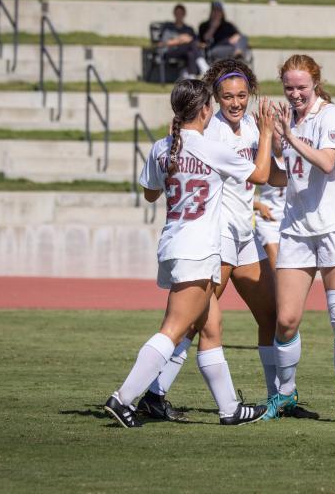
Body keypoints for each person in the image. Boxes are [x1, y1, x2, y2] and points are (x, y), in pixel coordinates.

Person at [137, 60, 319, 422]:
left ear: (250, 93)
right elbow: (256, 174)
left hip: (244, 235)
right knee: (192, 321)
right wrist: (270, 138)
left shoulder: (252, 124)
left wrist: (307, 175)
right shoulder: (210, 132)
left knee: (269, 315)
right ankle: (153, 395)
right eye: (226, 97)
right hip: (216, 235)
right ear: (214, 99)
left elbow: (269, 175)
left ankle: (277, 399)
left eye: (241, 95)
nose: (235, 103)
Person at [104, 79, 275, 428]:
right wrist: (268, 132)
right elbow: (259, 174)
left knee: (211, 329)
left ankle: (229, 409)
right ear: (206, 110)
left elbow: (151, 193)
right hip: (199, 249)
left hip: (173, 243)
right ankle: (123, 399)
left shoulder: (161, 147)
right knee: (174, 329)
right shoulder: (209, 146)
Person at [261, 54, 335, 427]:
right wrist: (269, 143)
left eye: (301, 87)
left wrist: (289, 136)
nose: (295, 94)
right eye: (288, 88)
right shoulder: (289, 119)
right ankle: (287, 393)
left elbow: (326, 163)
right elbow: (283, 177)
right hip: (296, 227)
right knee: (287, 319)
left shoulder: (330, 115)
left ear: (315, 83)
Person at [156, 4, 209, 79]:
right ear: (174, 14)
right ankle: (203, 65)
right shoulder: (168, 28)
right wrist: (180, 40)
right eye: (177, 13)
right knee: (190, 43)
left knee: (190, 52)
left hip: (186, 52)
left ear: (184, 14)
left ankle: (191, 76)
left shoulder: (188, 29)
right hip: (171, 51)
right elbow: (161, 44)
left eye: (181, 13)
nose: (179, 15)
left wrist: (199, 44)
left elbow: (195, 43)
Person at [254, 184, 285, 269]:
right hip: (267, 221)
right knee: (279, 268)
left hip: (291, 221)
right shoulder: (262, 170)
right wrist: (258, 205)